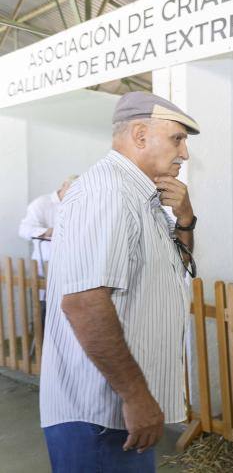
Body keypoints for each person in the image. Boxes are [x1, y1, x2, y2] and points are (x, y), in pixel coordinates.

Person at [39, 92, 201, 473]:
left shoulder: (139, 195)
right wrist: (136, 397)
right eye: (178, 138)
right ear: (141, 135)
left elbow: (179, 266)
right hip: (102, 415)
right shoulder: (107, 192)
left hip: (119, 413)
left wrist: (186, 219)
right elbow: (84, 302)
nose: (185, 153)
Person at [18, 175, 78, 327]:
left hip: (69, 269)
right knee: (45, 312)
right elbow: (24, 230)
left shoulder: (79, 205)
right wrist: (48, 231)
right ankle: (43, 346)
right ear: (64, 185)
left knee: (68, 312)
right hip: (44, 268)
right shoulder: (41, 203)